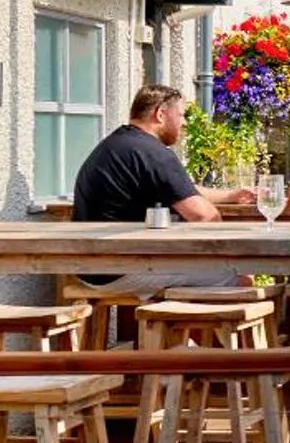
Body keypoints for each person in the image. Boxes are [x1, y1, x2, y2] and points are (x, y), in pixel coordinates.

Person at [70, 84, 258, 293]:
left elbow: (181, 188)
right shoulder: (153, 153)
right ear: (160, 114)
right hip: (122, 269)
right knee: (239, 275)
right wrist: (230, 254)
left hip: (87, 267)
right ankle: (182, 324)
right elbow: (205, 216)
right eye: (181, 115)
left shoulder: (117, 144)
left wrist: (232, 195)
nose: (184, 123)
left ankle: (170, 323)